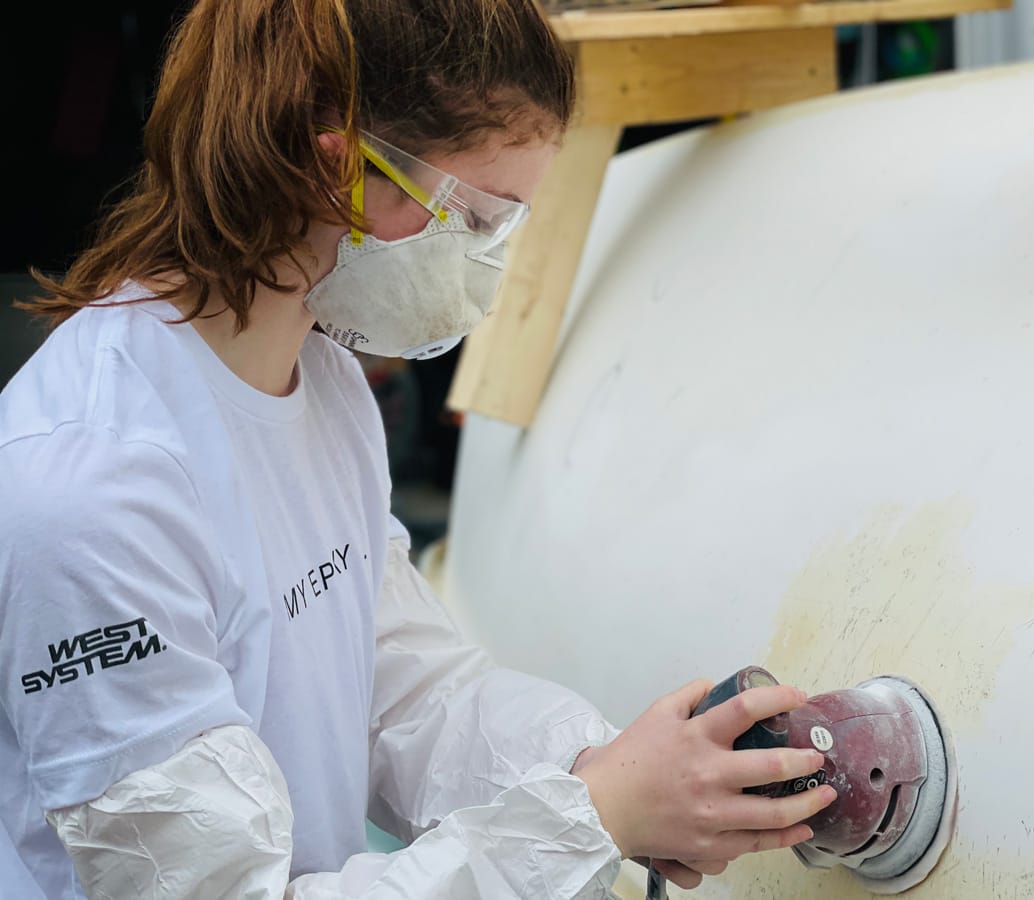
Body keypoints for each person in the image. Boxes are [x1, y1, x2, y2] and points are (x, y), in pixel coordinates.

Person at [0, 1, 835, 897]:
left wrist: (614, 771)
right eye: (474, 218)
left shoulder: (317, 381)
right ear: (337, 169)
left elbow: (403, 695)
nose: (486, 264)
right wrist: (589, 817)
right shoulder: (93, 496)